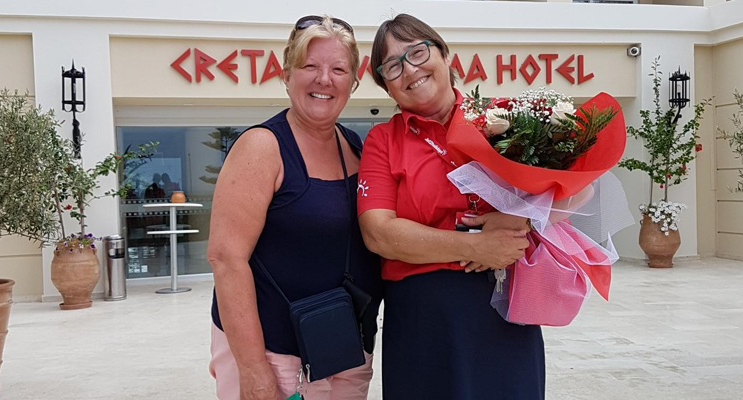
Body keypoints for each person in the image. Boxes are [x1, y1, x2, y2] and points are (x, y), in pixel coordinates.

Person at [358, 14, 545, 400]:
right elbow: (379, 233)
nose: (410, 69)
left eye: (417, 52)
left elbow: (575, 191)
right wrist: (476, 245)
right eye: (393, 66)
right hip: (422, 319)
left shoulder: (502, 119)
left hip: (504, 306)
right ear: (387, 86)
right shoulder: (383, 140)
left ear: (445, 56)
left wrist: (520, 220)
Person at [207, 15, 382, 400]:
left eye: (338, 69)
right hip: (275, 357)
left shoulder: (354, 146)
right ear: (286, 75)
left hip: (344, 352)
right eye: (310, 66)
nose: (324, 79)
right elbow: (227, 259)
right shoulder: (261, 147)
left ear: (353, 82)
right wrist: (253, 369)